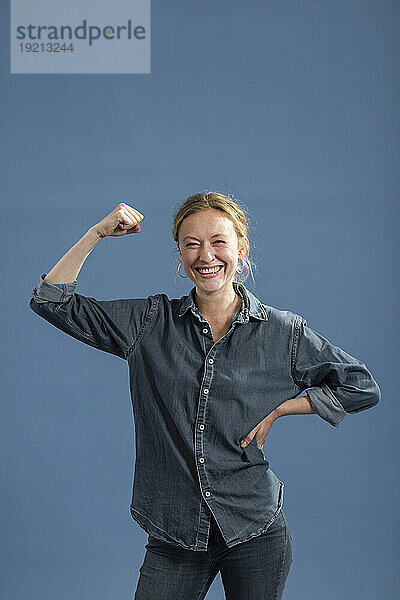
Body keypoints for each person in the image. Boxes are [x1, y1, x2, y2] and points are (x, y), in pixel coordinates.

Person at [29, 191, 381, 600]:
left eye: (218, 242)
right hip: (174, 531)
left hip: (255, 529)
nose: (205, 255)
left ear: (240, 248)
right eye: (191, 244)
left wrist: (285, 407)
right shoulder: (149, 323)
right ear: (179, 254)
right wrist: (96, 233)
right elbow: (51, 302)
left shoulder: (283, 333)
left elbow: (361, 385)